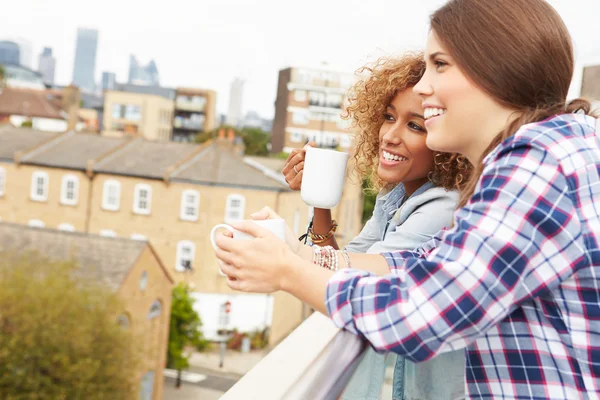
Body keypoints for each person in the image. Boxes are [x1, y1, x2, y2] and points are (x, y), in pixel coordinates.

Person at [214, 0, 600, 398]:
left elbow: (423, 314)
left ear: (497, 68)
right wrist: (291, 252)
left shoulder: (536, 165)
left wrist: (287, 273)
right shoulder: (556, 150)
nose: (422, 86)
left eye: (440, 64)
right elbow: (422, 263)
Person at [280, 54, 470, 400]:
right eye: (388, 117)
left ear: (445, 142)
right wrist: (320, 199)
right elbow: (347, 262)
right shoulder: (396, 196)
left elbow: (355, 283)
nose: (390, 136)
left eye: (415, 126)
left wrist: (280, 264)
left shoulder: (443, 205)